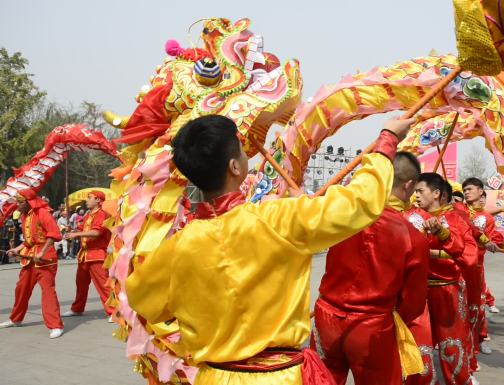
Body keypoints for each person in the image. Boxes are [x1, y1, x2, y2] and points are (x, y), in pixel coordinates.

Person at [125, 114, 415, 385]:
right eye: (240, 149)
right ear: (234, 167)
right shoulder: (277, 219)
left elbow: (143, 300)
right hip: (279, 376)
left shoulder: (177, 248)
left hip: (214, 376)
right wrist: (387, 140)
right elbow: (360, 202)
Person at [311, 152, 429, 385]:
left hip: (326, 316)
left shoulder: (343, 215)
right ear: (408, 185)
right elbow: (413, 304)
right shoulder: (413, 236)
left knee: (322, 379)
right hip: (371, 325)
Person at [405, 172, 479, 385]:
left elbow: (469, 257)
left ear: (436, 193)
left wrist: (442, 239)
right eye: (414, 191)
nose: (416, 196)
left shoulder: (456, 219)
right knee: (418, 349)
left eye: (421, 191)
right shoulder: (410, 217)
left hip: (447, 290)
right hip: (416, 293)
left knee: (451, 346)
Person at [0, 190, 64, 338]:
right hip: (29, 258)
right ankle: (15, 319)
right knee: (21, 289)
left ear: (29, 202)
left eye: (20, 202)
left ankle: (55, 325)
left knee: (48, 291)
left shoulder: (43, 213)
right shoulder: (25, 216)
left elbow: (54, 234)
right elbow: (29, 241)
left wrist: (42, 252)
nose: (17, 205)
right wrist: (16, 249)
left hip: (44, 259)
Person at [461, 177, 504, 357]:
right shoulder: (458, 211)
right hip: (456, 267)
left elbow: (494, 237)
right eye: (464, 190)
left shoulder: (486, 218)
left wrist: (494, 244)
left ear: (481, 192)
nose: (466, 192)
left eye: (470, 189)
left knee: (478, 305)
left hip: (476, 268)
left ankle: (481, 338)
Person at [63, 191, 114, 319]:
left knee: (103, 285)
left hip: (97, 254)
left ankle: (113, 312)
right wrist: (72, 230)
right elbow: (82, 230)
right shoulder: (88, 215)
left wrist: (76, 234)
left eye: (89, 198)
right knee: (81, 284)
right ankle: (77, 308)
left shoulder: (103, 214)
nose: (87, 200)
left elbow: (96, 233)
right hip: (84, 255)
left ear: (98, 200)